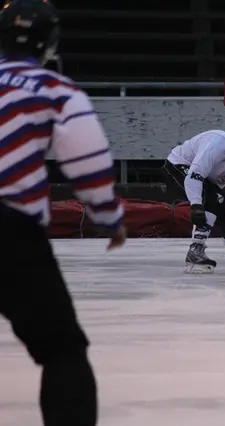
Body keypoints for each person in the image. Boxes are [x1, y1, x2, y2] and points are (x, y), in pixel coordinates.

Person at [0, 1, 127, 425]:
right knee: (61, 351)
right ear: (50, 41)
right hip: (9, 228)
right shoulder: (55, 90)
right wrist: (109, 218)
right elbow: (89, 165)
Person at [162, 117, 225, 273]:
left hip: (204, 180)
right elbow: (195, 174)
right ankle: (195, 251)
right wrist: (196, 205)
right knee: (213, 200)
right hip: (178, 167)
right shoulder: (219, 144)